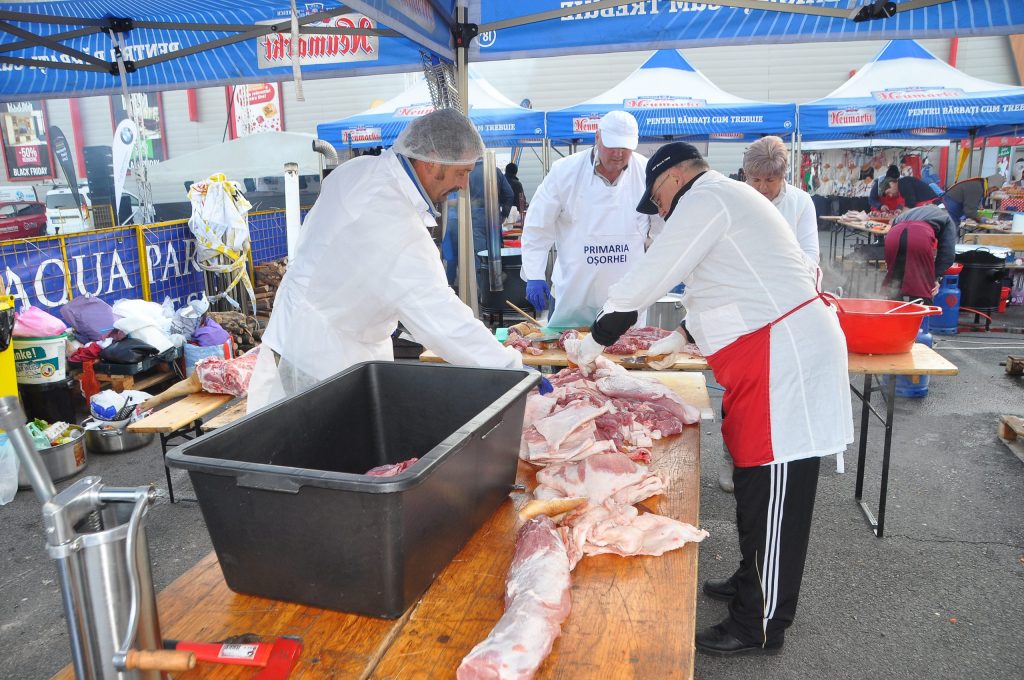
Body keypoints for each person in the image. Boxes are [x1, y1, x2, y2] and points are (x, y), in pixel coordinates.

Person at [572, 142, 853, 657]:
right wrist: (678, 337)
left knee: (774, 491)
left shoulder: (709, 197)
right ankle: (752, 580)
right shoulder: (721, 203)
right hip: (760, 359)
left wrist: (592, 342)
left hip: (783, 360)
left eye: (656, 197)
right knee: (752, 480)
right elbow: (729, 287)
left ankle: (759, 624)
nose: (658, 210)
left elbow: (648, 277)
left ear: (677, 176)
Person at [247, 109, 526, 412]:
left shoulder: (359, 169)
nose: (463, 185)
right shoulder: (393, 221)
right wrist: (513, 369)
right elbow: (443, 322)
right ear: (432, 159)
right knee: (311, 454)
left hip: (310, 334)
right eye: (461, 172)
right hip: (320, 359)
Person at [520, 111, 658, 326]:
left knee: (623, 355)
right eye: (612, 146)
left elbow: (661, 231)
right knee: (569, 353)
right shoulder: (564, 172)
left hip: (626, 299)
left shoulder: (647, 172)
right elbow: (538, 227)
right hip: (573, 296)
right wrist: (534, 274)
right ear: (597, 137)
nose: (619, 154)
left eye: (625, 147)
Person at [742, 136, 819, 263]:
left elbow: (811, 255)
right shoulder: (735, 199)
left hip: (788, 278)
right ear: (746, 174)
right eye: (756, 180)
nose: (762, 187)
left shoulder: (801, 202)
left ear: (782, 175)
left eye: (770, 180)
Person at [441, 159, 514, 286]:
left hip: (474, 218)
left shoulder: (467, 173)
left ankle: (483, 292)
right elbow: (510, 194)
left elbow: (460, 200)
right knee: (496, 255)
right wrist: (504, 214)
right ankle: (499, 288)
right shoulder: (496, 171)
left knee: (479, 257)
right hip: (494, 218)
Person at [881, 204, 957, 304]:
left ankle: (891, 315)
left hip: (893, 236)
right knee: (922, 290)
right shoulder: (946, 218)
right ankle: (919, 316)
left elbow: (897, 235)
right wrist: (935, 277)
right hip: (919, 237)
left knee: (894, 286)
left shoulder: (908, 213)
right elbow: (948, 254)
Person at [869, 165, 938, 210]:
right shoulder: (879, 183)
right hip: (883, 212)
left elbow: (908, 202)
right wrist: (880, 206)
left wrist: (899, 210)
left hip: (928, 206)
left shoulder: (903, 182)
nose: (890, 195)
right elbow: (871, 199)